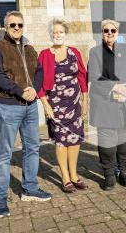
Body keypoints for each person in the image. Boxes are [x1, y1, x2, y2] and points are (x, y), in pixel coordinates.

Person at [0, 10, 52, 218]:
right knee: (5, 152)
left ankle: (29, 188)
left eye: (20, 25)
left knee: (32, 147)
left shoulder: (30, 49)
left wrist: (34, 89)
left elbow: (39, 72)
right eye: (12, 25)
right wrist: (19, 90)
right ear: (5, 27)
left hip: (30, 106)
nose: (16, 28)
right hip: (8, 106)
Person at [88, 19, 126, 190]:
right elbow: (94, 75)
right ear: (102, 33)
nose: (110, 33)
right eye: (106, 31)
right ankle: (109, 175)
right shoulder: (95, 52)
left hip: (125, 102)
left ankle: (124, 173)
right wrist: (114, 87)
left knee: (124, 141)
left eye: (113, 30)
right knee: (107, 143)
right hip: (105, 104)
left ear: (117, 33)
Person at [37, 19, 89, 193]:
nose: (58, 35)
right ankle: (65, 178)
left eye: (60, 32)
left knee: (75, 140)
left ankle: (74, 175)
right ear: (51, 35)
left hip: (74, 103)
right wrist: (46, 106)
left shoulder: (74, 52)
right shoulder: (44, 54)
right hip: (56, 105)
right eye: (54, 33)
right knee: (61, 141)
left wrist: (85, 101)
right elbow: (39, 84)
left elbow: (82, 77)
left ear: (65, 34)